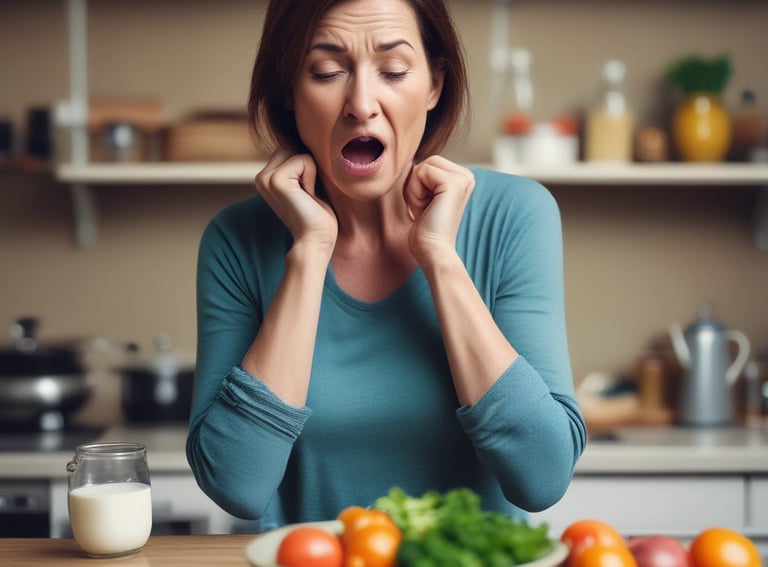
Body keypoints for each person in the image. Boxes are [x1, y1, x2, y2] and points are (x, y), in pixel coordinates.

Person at [186, 0, 586, 532]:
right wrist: (309, 251)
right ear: (288, 90)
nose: (361, 104)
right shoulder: (236, 240)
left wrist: (440, 258)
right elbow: (236, 484)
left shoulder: (514, 215)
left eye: (394, 71)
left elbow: (543, 476)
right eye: (327, 72)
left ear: (434, 86)